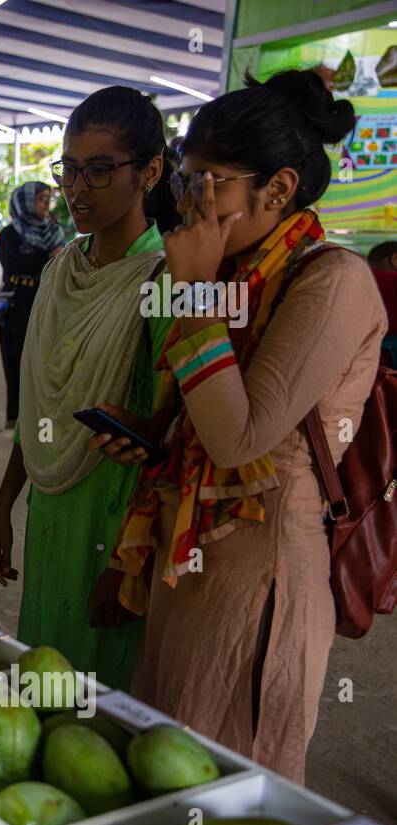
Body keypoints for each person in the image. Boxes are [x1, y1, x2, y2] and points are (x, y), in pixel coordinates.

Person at [90, 70, 384, 783]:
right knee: (166, 752)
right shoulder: (237, 272)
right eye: (185, 182)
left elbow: (237, 439)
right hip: (189, 556)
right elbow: (205, 418)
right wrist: (150, 431)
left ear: (277, 190)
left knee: (229, 770)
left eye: (205, 183)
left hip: (264, 563)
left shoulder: (332, 280)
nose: (186, 204)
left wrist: (192, 292)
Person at [0, 85, 182, 691]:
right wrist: (3, 505)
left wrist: (130, 559)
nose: (76, 189)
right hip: (52, 507)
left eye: (99, 171)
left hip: (116, 513)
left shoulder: (167, 278)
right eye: (68, 170)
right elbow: (41, 398)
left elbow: (172, 433)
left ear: (150, 171)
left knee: (102, 691)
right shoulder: (60, 268)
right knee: (46, 669)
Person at [0, 181, 64, 428]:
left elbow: (63, 263)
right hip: (17, 302)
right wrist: (46, 258)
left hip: (47, 298)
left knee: (45, 358)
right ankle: (16, 414)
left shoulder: (55, 230)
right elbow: (12, 264)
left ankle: (40, 414)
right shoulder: (10, 234)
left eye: (48, 199)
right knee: (16, 357)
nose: (46, 204)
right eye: (41, 199)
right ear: (25, 202)